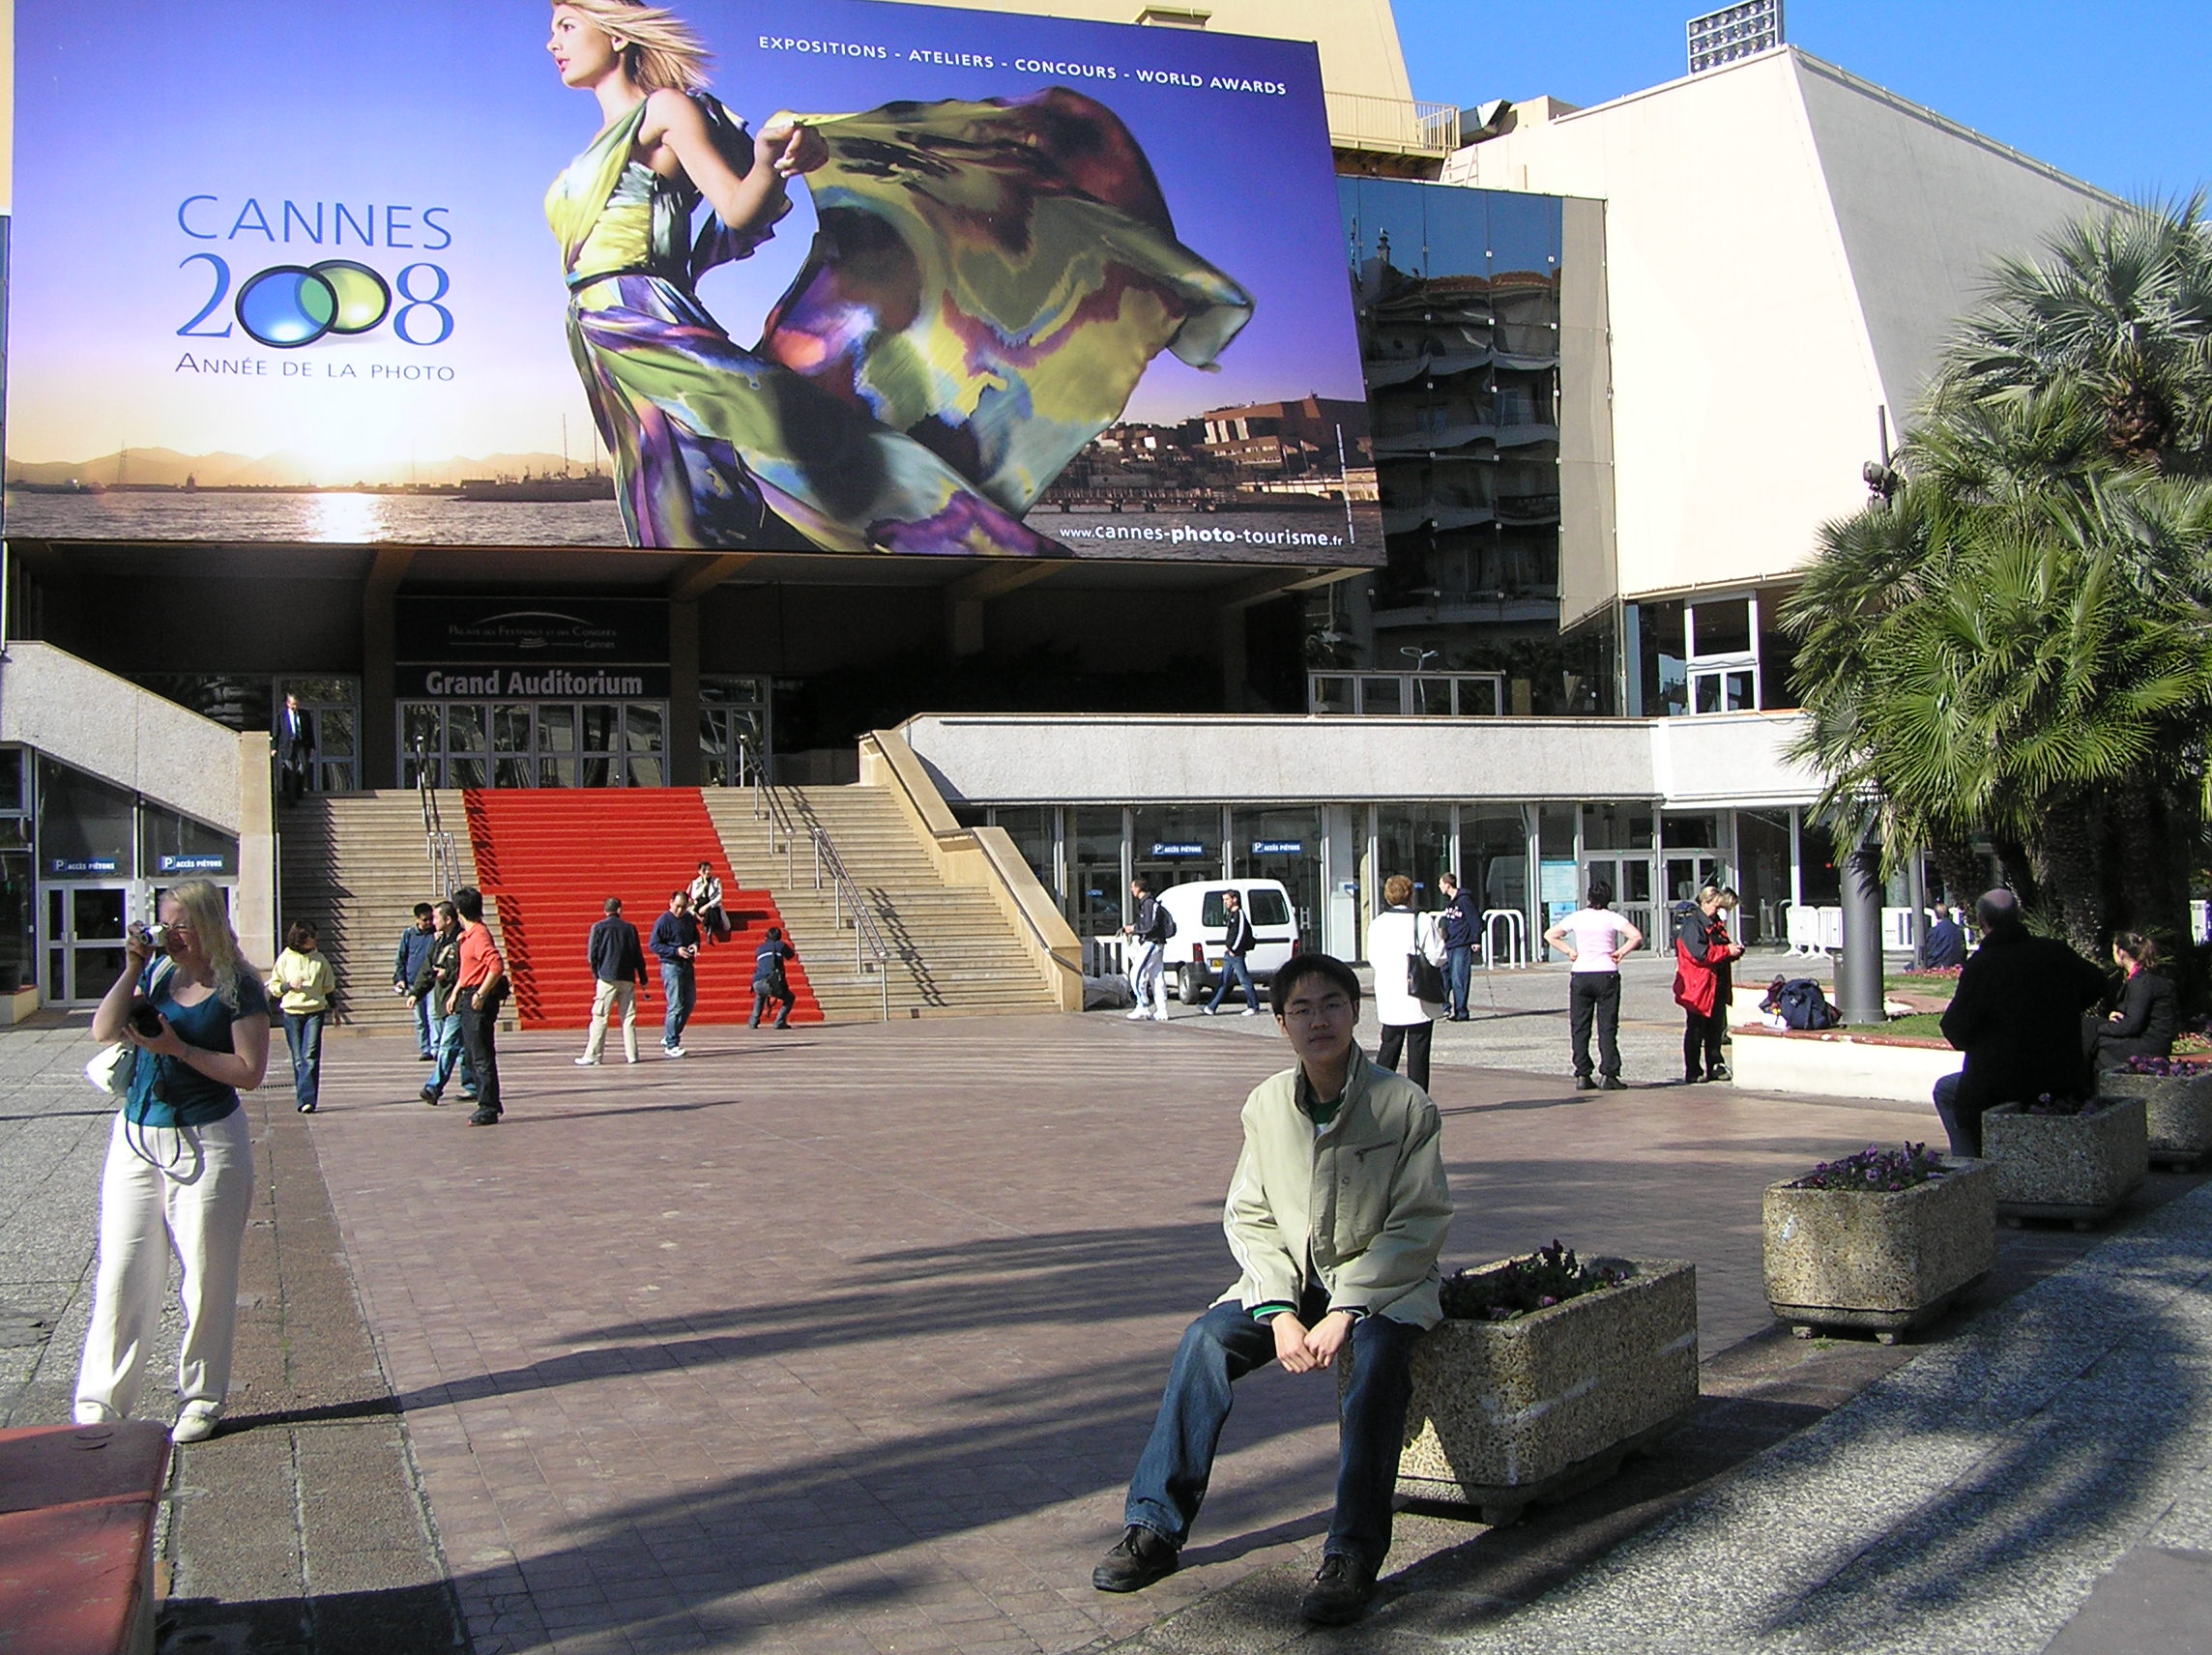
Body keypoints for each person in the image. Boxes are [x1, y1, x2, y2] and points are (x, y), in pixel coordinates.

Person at [544, 0, 1249, 554]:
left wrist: (766, 162)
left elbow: (736, 208)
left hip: (644, 315)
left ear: (618, 32)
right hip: (601, 336)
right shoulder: (592, 146)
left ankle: (961, 539)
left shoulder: (663, 112)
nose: (553, 42)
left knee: (775, 436)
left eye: (568, 24)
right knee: (674, 491)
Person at [1092, 953, 1451, 1627]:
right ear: (1282, 1023)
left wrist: (1348, 1307)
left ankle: (1351, 1555)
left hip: (1384, 1287)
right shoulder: (1265, 1107)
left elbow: (1418, 1223)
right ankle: (1154, 1527)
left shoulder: (1404, 1105)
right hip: (1290, 1282)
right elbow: (1250, 1216)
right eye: (1302, 1009)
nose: (1319, 1020)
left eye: (1332, 1004)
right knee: (1204, 1342)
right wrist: (1280, 1311)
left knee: (1377, 1361)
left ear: (1356, 1012)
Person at [75, 880, 271, 1445]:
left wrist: (178, 1050)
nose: (170, 936)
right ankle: (101, 1401)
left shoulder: (239, 987)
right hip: (138, 1136)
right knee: (122, 1270)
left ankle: (201, 1398)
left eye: (180, 926)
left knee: (206, 1277)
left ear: (208, 924)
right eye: (165, 925)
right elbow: (103, 1030)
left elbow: (249, 1072)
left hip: (208, 1139)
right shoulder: (161, 972)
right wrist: (133, 967)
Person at [1934, 889, 2110, 1155]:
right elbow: (2098, 983)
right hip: (2062, 1076)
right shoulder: (2055, 952)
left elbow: (1955, 1028)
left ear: (1981, 921)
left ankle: (1969, 1167)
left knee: (1946, 1092)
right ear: (2019, 915)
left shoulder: (1984, 965)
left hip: (2000, 1082)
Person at [1543, 880, 1644, 1090]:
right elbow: (1635, 936)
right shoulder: (1612, 918)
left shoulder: (1578, 917)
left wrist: (1569, 951)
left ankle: (1582, 1073)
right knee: (1607, 1026)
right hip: (1606, 973)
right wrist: (1620, 952)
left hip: (1581, 974)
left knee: (1580, 1026)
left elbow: (1550, 935)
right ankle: (1609, 1073)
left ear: (1589, 897)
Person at [1368, 875, 1444, 1091]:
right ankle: (1417, 1096)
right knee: (1419, 1050)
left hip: (1389, 991)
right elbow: (1438, 956)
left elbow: (1373, 958)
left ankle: (1378, 1092)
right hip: (1417, 992)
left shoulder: (1378, 923)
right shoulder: (1422, 920)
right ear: (1410, 895)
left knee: (1389, 1046)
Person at [1674, 885, 1742, 1084]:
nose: (1719, 911)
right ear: (1705, 903)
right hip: (1698, 985)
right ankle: (1693, 1070)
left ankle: (1715, 1065)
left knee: (1715, 1028)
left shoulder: (1715, 923)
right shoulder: (1693, 926)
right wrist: (1726, 951)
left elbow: (1719, 947)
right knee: (1696, 1029)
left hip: (1716, 983)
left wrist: (1733, 952)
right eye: (1716, 906)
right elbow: (1700, 954)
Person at [266, 920, 335, 1115]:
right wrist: (288, 985)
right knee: (298, 1059)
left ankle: (308, 1099)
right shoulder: (285, 958)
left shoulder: (320, 959)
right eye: (311, 936)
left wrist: (334, 1007)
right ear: (301, 938)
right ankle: (302, 1097)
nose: (315, 939)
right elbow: (274, 986)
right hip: (292, 1012)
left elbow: (328, 985)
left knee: (310, 1056)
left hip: (314, 1011)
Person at [452, 886, 508, 1125]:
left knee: (481, 1055)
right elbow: (469, 969)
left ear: (459, 911)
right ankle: (484, 1099)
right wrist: (456, 991)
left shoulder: (479, 935)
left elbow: (496, 965)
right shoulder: (468, 936)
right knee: (472, 1053)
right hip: (468, 994)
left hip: (477, 998)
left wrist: (481, 994)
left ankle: (488, 1106)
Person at [2085, 931, 2178, 1070]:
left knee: (2089, 1031)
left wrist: (2098, 1029)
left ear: (2121, 952)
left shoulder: (2142, 982)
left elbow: (2133, 1025)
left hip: (2148, 1047)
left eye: (2113, 951)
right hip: (2152, 1043)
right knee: (2090, 1027)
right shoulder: (2144, 978)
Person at [417, 901, 478, 1106]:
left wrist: (448, 974)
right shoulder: (440, 941)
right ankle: (472, 1086)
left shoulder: (462, 940)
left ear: (448, 919)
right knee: (462, 1047)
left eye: (436, 917)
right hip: (444, 1000)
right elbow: (428, 967)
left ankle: (434, 1087)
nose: (433, 921)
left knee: (447, 1045)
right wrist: (416, 993)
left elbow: (467, 969)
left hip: (459, 1001)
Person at [578, 896, 649, 1065]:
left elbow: (592, 955)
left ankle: (594, 1055)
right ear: (620, 910)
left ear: (605, 910)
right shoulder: (630, 928)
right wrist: (643, 977)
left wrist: (597, 974)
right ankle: (632, 1054)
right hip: (627, 978)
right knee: (628, 1018)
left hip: (607, 977)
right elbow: (637, 955)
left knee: (600, 1017)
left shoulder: (598, 928)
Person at [650, 888, 702, 1056]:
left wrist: (695, 945)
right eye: (677, 906)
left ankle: (670, 1034)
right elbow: (654, 944)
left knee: (689, 1002)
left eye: (683, 907)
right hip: (671, 965)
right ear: (670, 903)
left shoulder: (688, 919)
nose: (680, 910)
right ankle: (672, 1044)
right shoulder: (664, 921)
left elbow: (695, 936)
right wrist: (675, 951)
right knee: (676, 1004)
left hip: (687, 964)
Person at [1201, 889, 1260, 1016]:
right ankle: (1211, 1007)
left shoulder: (1239, 914)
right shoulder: (1230, 915)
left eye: (1227, 899)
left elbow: (1241, 933)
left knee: (1244, 979)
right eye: (1224, 900)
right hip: (1229, 954)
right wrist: (1228, 948)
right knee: (1223, 980)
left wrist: (1234, 949)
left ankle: (1253, 1006)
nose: (1225, 902)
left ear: (1234, 899)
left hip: (1236, 954)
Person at [1121, 878, 1172, 1024]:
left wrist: (1133, 928)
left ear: (1138, 888)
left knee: (1136, 974)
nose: (1131, 890)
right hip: (1157, 943)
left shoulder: (1148, 903)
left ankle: (1142, 1005)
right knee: (1157, 977)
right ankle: (1162, 1010)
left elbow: (1149, 925)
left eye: (1132, 887)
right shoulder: (1150, 903)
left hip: (1151, 943)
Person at [393, 902, 439, 1060]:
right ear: (417, 919)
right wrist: (400, 979)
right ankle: (425, 1048)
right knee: (420, 1019)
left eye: (431, 919)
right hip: (414, 981)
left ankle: (436, 1048)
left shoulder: (436, 933)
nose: (429, 922)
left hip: (432, 981)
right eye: (425, 920)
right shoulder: (409, 934)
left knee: (433, 1015)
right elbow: (401, 958)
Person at [1436, 871, 1478, 1021]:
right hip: (1450, 943)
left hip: (1462, 943)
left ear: (1447, 885)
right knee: (1444, 976)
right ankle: (1444, 1007)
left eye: (1441, 883)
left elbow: (1474, 919)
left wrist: (1475, 940)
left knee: (1458, 977)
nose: (1439, 886)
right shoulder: (1450, 902)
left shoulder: (1464, 900)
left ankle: (1461, 1012)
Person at [749, 925, 798, 1029]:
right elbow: (790, 955)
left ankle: (753, 1021)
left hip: (756, 982)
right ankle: (779, 1021)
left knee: (760, 995)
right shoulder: (780, 945)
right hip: (772, 982)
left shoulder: (760, 948)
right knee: (790, 998)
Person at [276, 692, 315, 806]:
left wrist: (312, 746)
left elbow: (310, 731)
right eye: (293, 704)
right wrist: (274, 748)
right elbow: (276, 733)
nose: (295, 707)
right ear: (288, 704)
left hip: (301, 744)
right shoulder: (281, 716)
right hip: (288, 746)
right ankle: (291, 799)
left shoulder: (305, 715)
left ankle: (299, 790)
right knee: (290, 771)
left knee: (303, 767)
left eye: (297, 704)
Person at [688, 859, 729, 944]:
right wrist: (704, 885)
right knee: (705, 911)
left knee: (710, 911)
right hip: (699, 905)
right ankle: (708, 926)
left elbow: (719, 897)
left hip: (712, 905)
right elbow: (694, 896)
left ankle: (708, 928)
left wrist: (707, 906)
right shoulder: (695, 882)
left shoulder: (716, 881)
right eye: (705, 870)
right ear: (700, 872)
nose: (707, 872)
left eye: (709, 869)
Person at [1924, 901, 1967, 970]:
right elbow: (1964, 949)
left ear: (1936, 915)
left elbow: (1929, 949)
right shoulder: (1959, 929)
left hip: (1939, 964)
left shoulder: (1935, 931)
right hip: (1958, 963)